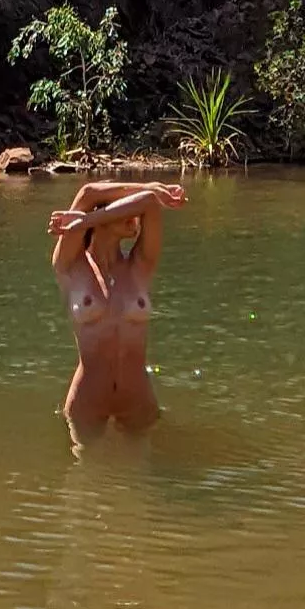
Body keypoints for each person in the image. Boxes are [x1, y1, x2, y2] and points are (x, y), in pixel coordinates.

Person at [48, 181, 186, 441]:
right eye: (124, 210)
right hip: (88, 396)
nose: (133, 217)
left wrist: (88, 219)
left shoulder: (140, 267)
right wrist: (86, 221)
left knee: (140, 477)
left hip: (138, 394)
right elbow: (87, 193)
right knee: (84, 476)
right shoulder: (70, 266)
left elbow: (148, 201)